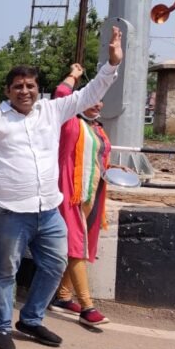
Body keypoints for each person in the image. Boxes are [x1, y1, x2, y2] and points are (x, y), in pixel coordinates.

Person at [0, 27, 124, 349]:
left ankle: (31, 318)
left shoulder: (52, 111)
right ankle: (1, 327)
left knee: (55, 265)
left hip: (49, 211)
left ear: (38, 89)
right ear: (7, 90)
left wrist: (111, 64)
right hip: (8, 212)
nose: (24, 91)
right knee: (5, 272)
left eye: (30, 86)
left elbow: (89, 93)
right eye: (18, 86)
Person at [49, 66, 112, 327]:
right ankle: (87, 306)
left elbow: (97, 158)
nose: (97, 104)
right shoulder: (69, 122)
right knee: (76, 245)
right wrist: (73, 75)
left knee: (81, 244)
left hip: (92, 194)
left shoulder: (96, 127)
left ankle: (63, 296)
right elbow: (61, 94)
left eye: (100, 100)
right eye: (92, 99)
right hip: (69, 192)